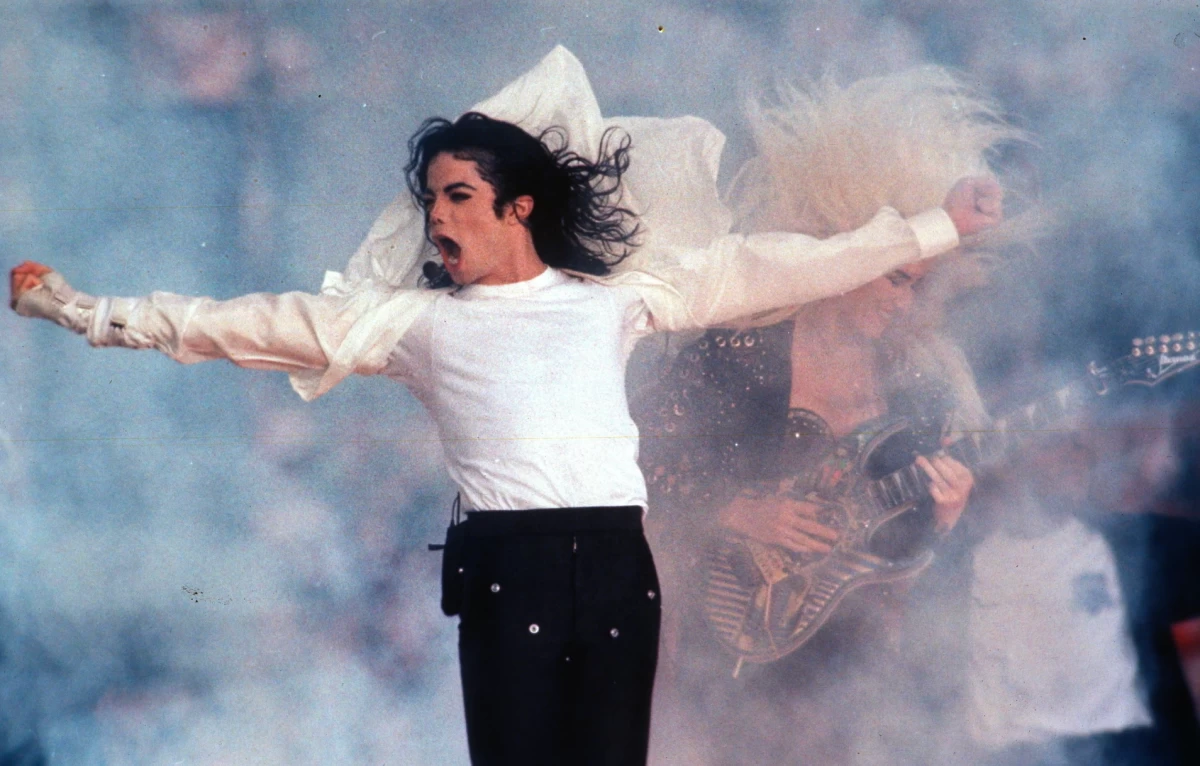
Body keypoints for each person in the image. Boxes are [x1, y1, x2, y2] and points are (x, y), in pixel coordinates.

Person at [9, 48, 1001, 765]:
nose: (436, 217)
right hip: (512, 573)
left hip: (618, 567)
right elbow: (234, 323)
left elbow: (785, 263)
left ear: (518, 206)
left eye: (457, 198)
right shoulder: (411, 324)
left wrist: (933, 229)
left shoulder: (616, 299)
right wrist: (83, 310)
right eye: (429, 201)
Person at [634, 67, 1016, 765]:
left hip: (857, 672)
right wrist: (733, 509)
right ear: (848, 249)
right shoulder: (735, 353)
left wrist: (949, 518)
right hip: (723, 660)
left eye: (922, 286)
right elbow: (633, 469)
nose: (904, 301)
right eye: (895, 274)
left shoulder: (924, 387)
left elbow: (922, 567)